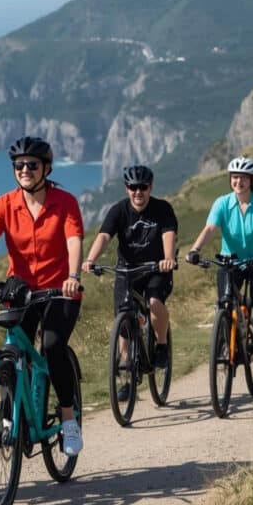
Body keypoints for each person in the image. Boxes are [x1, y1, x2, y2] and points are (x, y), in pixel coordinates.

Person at [0, 136, 85, 455]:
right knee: (11, 351)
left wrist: (73, 276)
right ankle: (8, 417)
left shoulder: (65, 202)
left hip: (59, 291)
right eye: (19, 165)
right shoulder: (4, 204)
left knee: (52, 347)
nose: (25, 170)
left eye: (32, 165)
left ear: (46, 168)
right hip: (21, 290)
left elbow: (74, 241)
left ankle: (68, 419)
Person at [82, 165, 177, 400]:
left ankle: (162, 345)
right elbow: (104, 235)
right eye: (133, 187)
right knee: (123, 318)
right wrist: (91, 259)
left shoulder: (162, 208)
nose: (138, 192)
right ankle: (126, 371)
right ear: (127, 189)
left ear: (150, 187)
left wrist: (168, 258)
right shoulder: (118, 210)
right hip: (127, 271)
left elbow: (168, 233)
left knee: (154, 302)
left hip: (156, 269)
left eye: (143, 187)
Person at [185, 156, 253, 362]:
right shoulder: (222, 203)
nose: (239, 181)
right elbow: (210, 228)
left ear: (251, 180)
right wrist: (195, 249)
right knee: (224, 302)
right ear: (230, 179)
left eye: (243, 177)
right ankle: (225, 344)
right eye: (235, 177)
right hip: (230, 261)